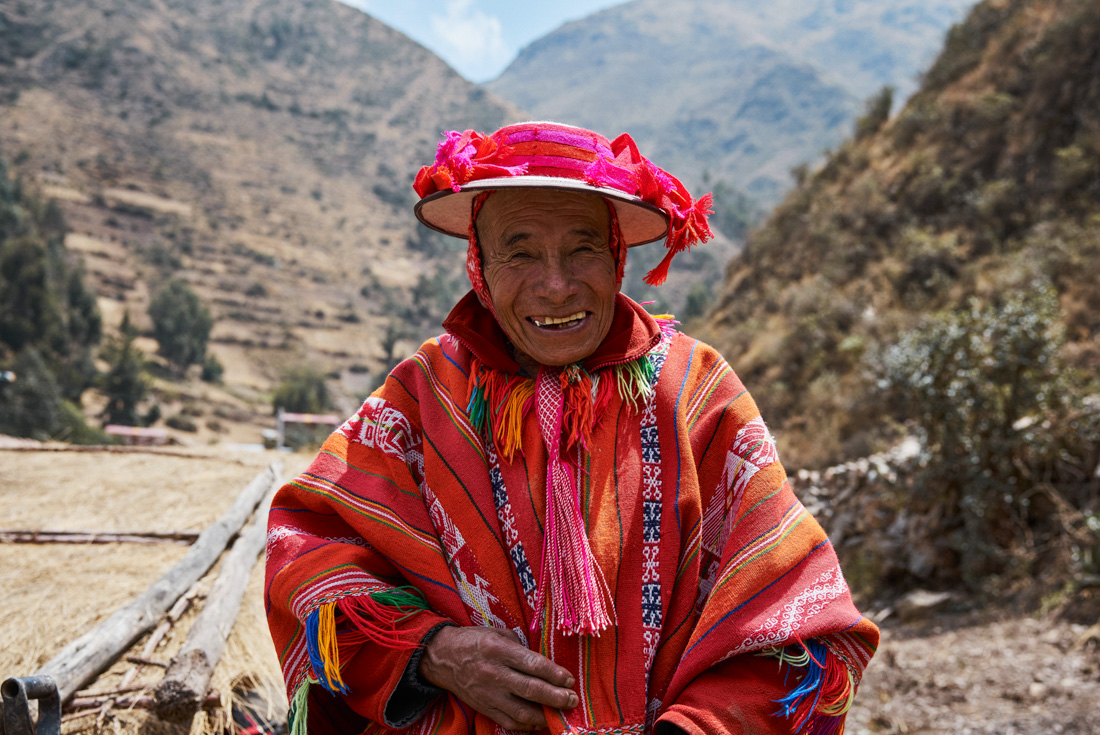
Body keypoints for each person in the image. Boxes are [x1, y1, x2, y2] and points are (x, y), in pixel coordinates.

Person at [265, 121, 879, 735]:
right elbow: (310, 551)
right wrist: (433, 653)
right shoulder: (423, 396)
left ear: (616, 258)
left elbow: (790, 613)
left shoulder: (696, 394)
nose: (555, 286)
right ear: (479, 264)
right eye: (521, 252)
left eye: (582, 248)